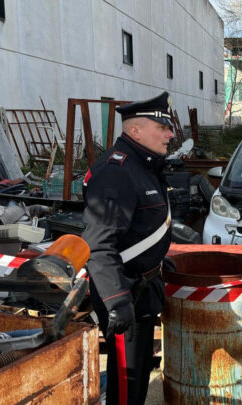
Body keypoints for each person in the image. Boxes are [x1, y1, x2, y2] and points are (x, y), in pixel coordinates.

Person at [82, 91, 175, 404]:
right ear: (136, 131)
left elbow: (139, 228)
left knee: (139, 374)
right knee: (126, 382)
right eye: (162, 127)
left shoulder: (143, 164)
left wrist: (157, 259)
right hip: (125, 295)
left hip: (142, 289)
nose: (170, 133)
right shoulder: (117, 171)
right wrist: (115, 299)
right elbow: (97, 243)